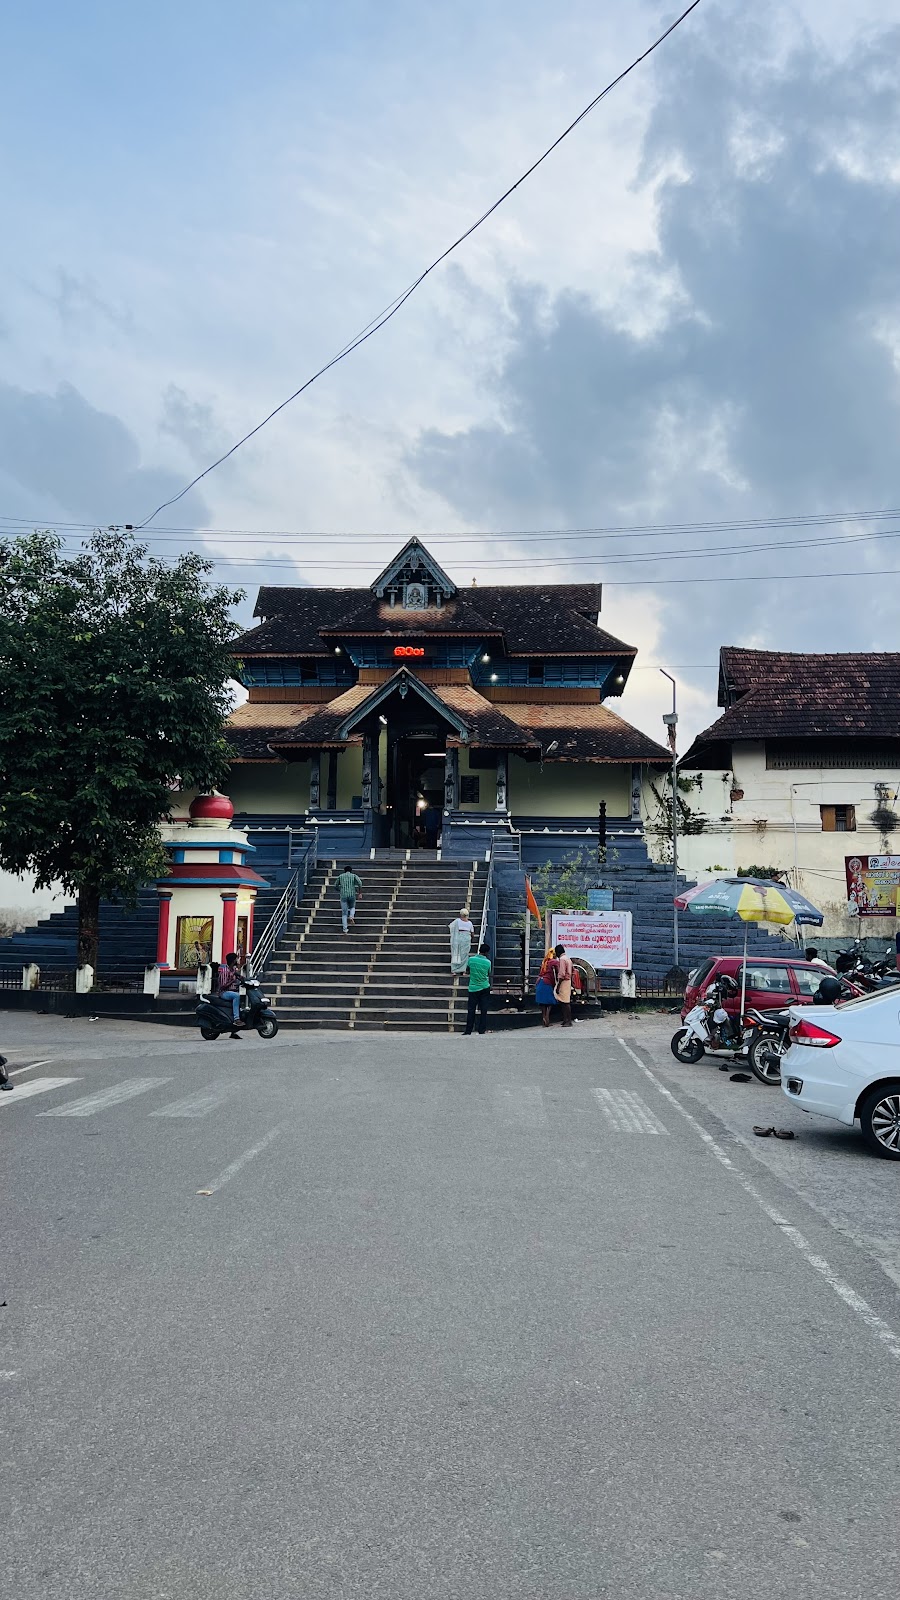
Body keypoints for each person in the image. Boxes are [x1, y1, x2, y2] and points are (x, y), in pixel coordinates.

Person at [464, 942, 492, 1035]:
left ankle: (468, 1030)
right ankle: (481, 1030)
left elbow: (468, 970)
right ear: (487, 952)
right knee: (483, 1010)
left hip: (473, 987)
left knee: (471, 1009)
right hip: (484, 987)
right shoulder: (488, 962)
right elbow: (488, 973)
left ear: (479, 950)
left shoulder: (471, 960)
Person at [217, 951, 243, 1039]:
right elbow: (222, 986)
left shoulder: (234, 970)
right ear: (233, 961)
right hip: (224, 993)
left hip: (232, 991)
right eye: (236, 959)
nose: (237, 961)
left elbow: (239, 977)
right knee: (236, 996)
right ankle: (236, 1019)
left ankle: (233, 1031)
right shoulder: (225, 971)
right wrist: (232, 980)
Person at [535, 949, 559, 1027]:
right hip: (547, 982)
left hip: (540, 982)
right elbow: (558, 972)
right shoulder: (554, 962)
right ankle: (547, 1018)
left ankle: (544, 1018)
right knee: (550, 1001)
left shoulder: (544, 962)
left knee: (542, 1003)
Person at [449, 907, 475, 974]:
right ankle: (463, 971)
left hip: (458, 939)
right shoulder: (470, 923)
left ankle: (454, 970)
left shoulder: (457, 921)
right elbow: (472, 933)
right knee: (464, 955)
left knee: (456, 954)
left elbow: (451, 926)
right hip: (466, 939)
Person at [336, 868, 362, 933]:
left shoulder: (340, 876)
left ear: (344, 870)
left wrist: (340, 889)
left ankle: (345, 929)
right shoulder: (354, 876)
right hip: (352, 895)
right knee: (352, 907)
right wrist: (359, 893)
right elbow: (360, 883)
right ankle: (351, 916)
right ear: (351, 870)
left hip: (343, 896)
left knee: (344, 913)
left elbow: (335, 885)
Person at [554, 943, 573, 1027]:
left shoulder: (562, 959)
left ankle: (568, 1021)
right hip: (568, 981)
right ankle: (566, 1020)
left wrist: (558, 986)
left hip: (564, 981)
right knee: (564, 1001)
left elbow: (562, 973)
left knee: (565, 1002)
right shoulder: (568, 958)